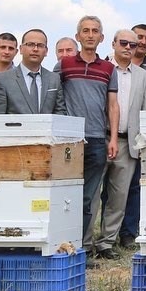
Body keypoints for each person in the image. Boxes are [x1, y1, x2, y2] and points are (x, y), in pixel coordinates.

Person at [54, 15, 119, 259]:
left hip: (96, 139)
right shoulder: (64, 65)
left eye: (95, 31)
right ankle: (60, 245)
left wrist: (112, 138)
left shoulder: (108, 69)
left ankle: (81, 247)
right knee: (64, 196)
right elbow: (55, 98)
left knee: (88, 198)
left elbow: (113, 106)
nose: (90, 35)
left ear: (101, 38)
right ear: (78, 35)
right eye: (85, 31)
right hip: (68, 141)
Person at [94, 30, 146, 260]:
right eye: (124, 43)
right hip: (101, 139)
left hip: (127, 143)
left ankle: (106, 242)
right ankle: (85, 242)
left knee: (118, 198)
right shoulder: (102, 69)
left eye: (133, 44)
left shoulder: (142, 76)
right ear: (113, 44)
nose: (128, 47)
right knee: (90, 196)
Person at [119, 23, 146, 248]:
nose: (140, 43)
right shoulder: (109, 68)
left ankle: (128, 233)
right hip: (113, 137)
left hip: (137, 138)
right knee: (111, 191)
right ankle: (108, 233)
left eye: (145, 39)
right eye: (136, 39)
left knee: (135, 188)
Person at [0, 29, 67, 115]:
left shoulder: (54, 79)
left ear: (46, 51)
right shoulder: (2, 80)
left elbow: (60, 113)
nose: (35, 49)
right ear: (21, 49)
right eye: (30, 44)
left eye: (40, 45)